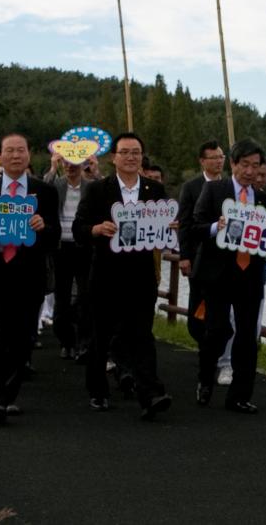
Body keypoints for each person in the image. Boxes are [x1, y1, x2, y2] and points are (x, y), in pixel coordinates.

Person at [73, 132, 172, 420]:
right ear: (113, 157)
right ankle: (98, 390)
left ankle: (151, 393)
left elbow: (164, 228)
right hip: (106, 273)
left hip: (141, 275)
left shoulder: (155, 190)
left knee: (142, 335)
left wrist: (169, 230)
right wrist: (96, 229)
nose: (131, 157)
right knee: (101, 336)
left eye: (136, 152)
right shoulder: (97, 190)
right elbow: (79, 227)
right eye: (125, 152)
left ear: (142, 157)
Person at [0, 133, 59, 425]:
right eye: (10, 151)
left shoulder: (45, 192)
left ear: (30, 155)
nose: (16, 156)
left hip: (29, 273)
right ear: (0, 157)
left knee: (24, 338)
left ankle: (8, 394)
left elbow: (54, 238)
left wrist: (43, 226)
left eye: (21, 150)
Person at [184, 138, 266, 414]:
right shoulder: (214, 191)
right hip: (217, 275)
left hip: (250, 277)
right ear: (233, 164)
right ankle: (205, 377)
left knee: (248, 337)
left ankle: (240, 395)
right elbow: (194, 227)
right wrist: (216, 226)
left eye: (256, 166)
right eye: (245, 164)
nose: (250, 171)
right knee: (217, 331)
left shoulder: (265, 200)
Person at [45, 151, 96, 361]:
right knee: (62, 298)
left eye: (75, 163)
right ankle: (66, 341)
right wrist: (52, 167)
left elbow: (107, 193)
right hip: (61, 247)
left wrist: (97, 171)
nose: (70, 167)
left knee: (86, 296)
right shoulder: (57, 185)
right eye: (66, 163)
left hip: (84, 246)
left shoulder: (91, 186)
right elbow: (43, 189)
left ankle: (83, 342)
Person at [177, 141, 225, 346]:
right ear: (202, 161)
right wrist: (184, 256)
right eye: (214, 158)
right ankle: (202, 340)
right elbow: (185, 223)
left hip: (225, 257)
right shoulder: (191, 187)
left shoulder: (231, 185)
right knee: (199, 302)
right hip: (198, 256)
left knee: (222, 307)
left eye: (221, 157)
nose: (218, 161)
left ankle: (218, 348)